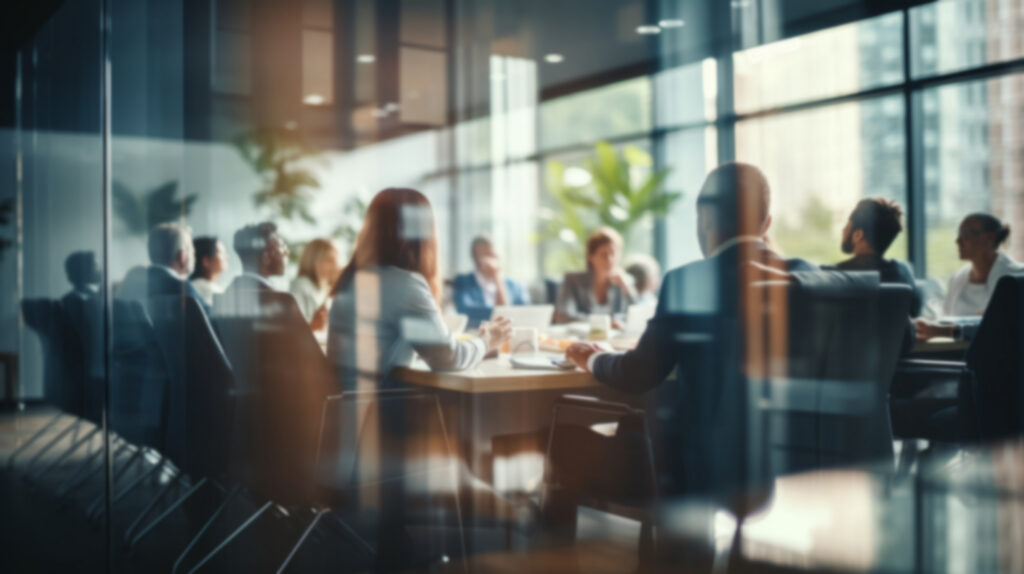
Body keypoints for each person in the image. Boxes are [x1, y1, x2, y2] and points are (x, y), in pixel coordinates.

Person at [564, 162, 815, 495]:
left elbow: (639, 374)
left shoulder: (689, 281)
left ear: (705, 218)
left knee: (568, 437)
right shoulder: (807, 277)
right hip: (798, 457)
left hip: (704, 463)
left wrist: (595, 359)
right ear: (766, 223)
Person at [327, 188, 511, 388]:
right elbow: (450, 359)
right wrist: (486, 341)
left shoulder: (351, 279)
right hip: (379, 411)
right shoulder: (403, 285)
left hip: (345, 409)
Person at [915, 213, 1024, 341]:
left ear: (990, 237)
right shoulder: (956, 278)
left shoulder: (1017, 277)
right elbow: (944, 317)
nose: (958, 240)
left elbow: (1003, 327)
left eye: (966, 234)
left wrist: (944, 331)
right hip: (953, 350)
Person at [825, 198, 921, 316]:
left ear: (858, 235)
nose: (843, 230)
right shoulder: (904, 272)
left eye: (847, 225)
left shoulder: (831, 275)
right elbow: (915, 315)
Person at [117, 222, 208, 314]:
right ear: (182, 256)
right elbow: (207, 324)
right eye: (192, 252)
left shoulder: (132, 281)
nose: (194, 256)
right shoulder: (184, 290)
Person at [555, 227, 636, 324]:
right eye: (603, 254)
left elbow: (637, 317)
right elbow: (563, 315)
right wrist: (606, 323)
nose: (609, 260)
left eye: (613, 253)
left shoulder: (624, 282)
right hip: (581, 337)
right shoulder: (573, 280)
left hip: (615, 338)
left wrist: (626, 288)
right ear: (590, 256)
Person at [453, 235, 531, 328]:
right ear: (475, 259)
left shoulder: (516, 286)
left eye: (492, 255)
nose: (490, 261)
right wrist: (505, 314)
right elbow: (464, 311)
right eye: (484, 257)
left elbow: (527, 314)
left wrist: (496, 278)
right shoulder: (464, 281)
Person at [289, 238, 341, 331]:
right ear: (315, 261)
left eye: (336, 260)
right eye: (330, 260)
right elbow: (293, 330)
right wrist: (313, 325)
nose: (336, 265)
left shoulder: (325, 289)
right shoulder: (301, 285)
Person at [226, 221, 289, 293]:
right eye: (282, 248)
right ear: (266, 258)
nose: (287, 253)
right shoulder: (282, 299)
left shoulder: (229, 292)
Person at [188, 236, 228, 306]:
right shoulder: (206, 289)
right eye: (221, 253)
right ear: (206, 261)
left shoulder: (194, 286)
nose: (226, 256)